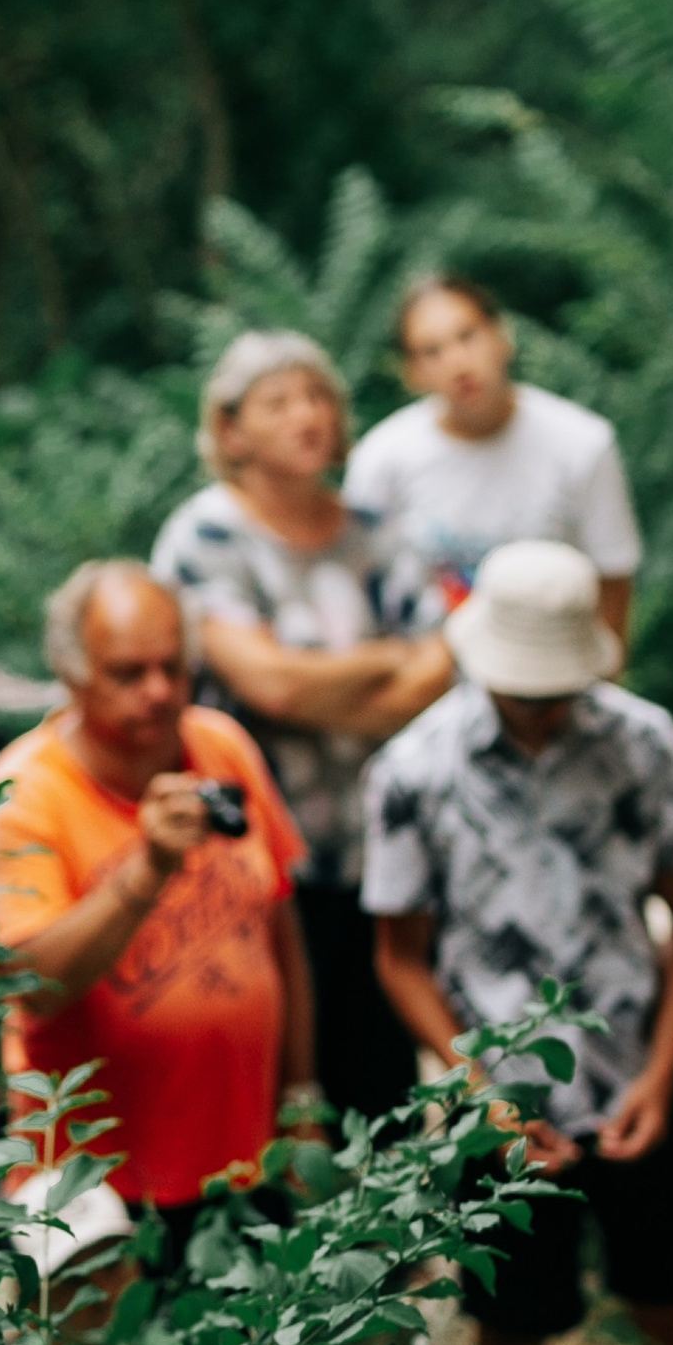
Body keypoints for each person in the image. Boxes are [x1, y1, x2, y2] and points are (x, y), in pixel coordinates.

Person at [362, 541, 673, 1345]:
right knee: (508, 1334)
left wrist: (659, 1076)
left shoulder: (644, 742)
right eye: (527, 691)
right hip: (501, 1095)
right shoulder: (415, 769)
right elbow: (401, 956)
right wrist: (480, 1093)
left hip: (637, 1072)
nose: (543, 708)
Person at [152, 329, 451, 1122]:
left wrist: (318, 678)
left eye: (319, 396)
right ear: (230, 429)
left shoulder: (375, 529)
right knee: (280, 1082)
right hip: (258, 857)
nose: (307, 415)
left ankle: (398, 1243)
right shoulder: (204, 535)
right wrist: (386, 660)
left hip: (384, 842)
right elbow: (268, 685)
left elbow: (443, 669)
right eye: (279, 401)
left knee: (384, 1075)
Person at [0, 564, 312, 1264]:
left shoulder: (221, 745)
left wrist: (302, 1097)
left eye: (172, 668)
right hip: (92, 1185)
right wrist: (147, 870)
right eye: (129, 673)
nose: (158, 693)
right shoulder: (26, 791)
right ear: (73, 677)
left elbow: (281, 930)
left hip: (240, 1159)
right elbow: (30, 983)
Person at [344, 276, 642, 643]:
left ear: (503, 337)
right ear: (412, 373)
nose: (457, 362)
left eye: (467, 336)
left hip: (551, 666)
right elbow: (360, 588)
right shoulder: (380, 459)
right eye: (431, 351)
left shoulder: (584, 445)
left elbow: (614, 582)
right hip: (430, 672)